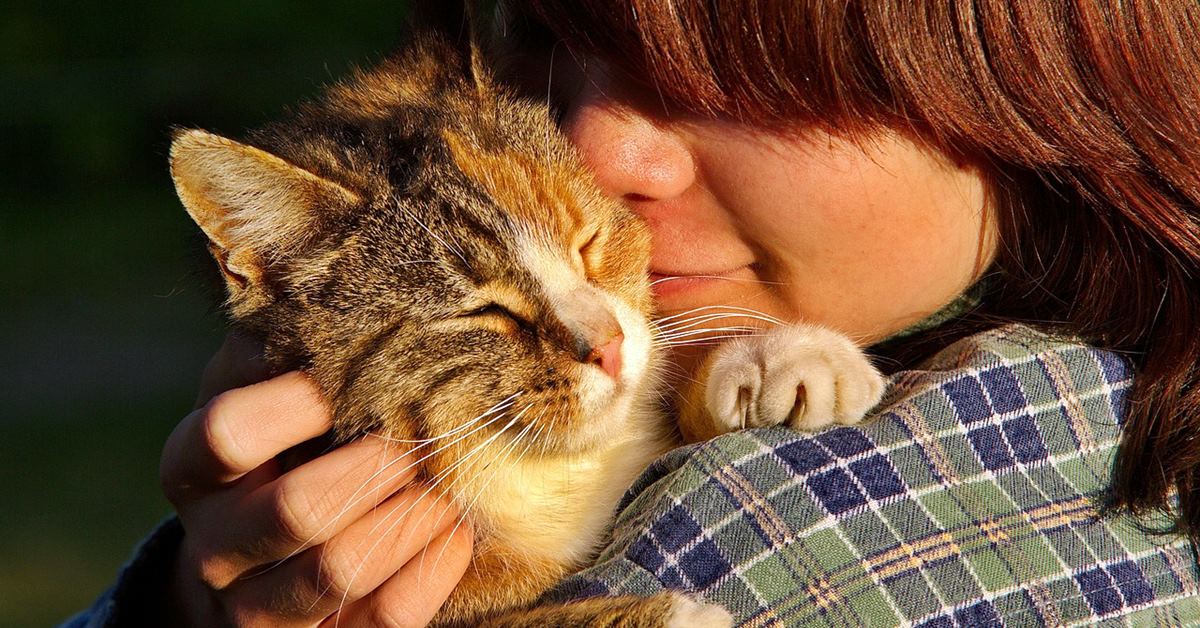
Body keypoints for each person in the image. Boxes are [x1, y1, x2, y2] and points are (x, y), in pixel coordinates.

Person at [68, 1, 1200, 625]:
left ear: (1033, 62)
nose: (593, 151)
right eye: (549, 40)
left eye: (734, 71)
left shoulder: (792, 553)